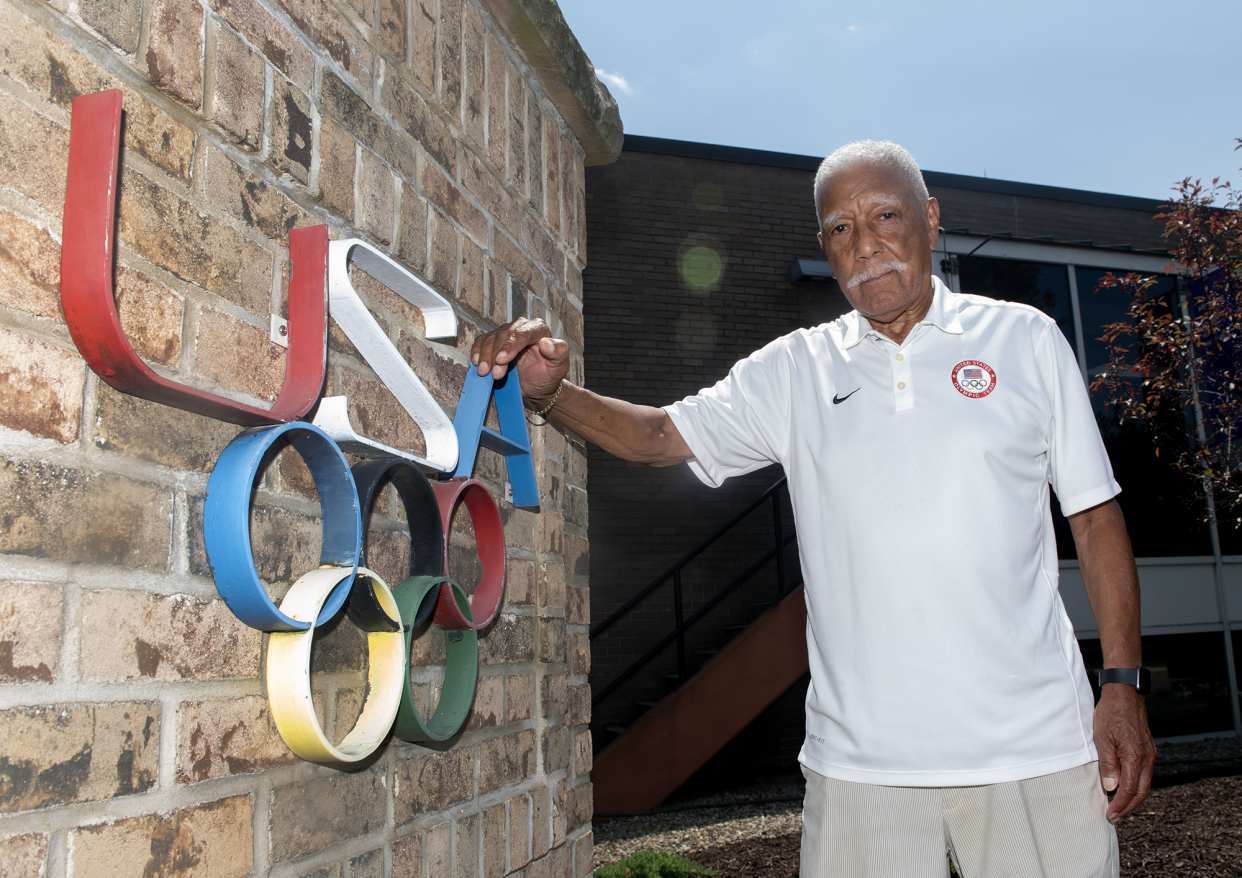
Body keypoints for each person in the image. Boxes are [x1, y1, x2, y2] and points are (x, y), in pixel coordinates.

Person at [470, 140, 1156, 878]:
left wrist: (1122, 685)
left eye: (886, 215)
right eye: (839, 229)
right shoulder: (796, 369)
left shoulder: (1025, 339)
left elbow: (1094, 516)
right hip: (863, 767)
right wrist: (548, 395)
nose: (865, 246)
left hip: (1036, 748)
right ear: (823, 246)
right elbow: (661, 435)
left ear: (929, 218)